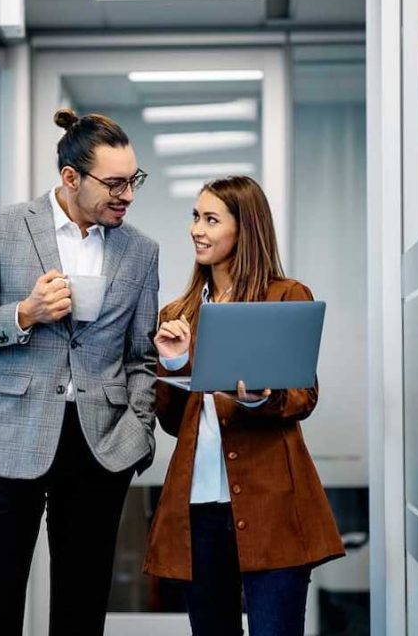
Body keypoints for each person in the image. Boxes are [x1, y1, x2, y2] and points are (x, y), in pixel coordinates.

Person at [0, 108, 159, 636]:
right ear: (70, 178)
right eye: (114, 183)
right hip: (9, 441)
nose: (127, 194)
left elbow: (142, 358)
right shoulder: (1, 228)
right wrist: (24, 313)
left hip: (100, 447)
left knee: (81, 615)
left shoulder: (141, 250)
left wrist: (138, 434)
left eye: (134, 181)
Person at [143, 176, 344, 636]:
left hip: (273, 505)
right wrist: (172, 364)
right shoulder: (179, 311)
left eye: (211, 219)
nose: (198, 229)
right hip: (199, 508)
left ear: (245, 229)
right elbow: (176, 423)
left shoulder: (285, 296)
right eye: (195, 217)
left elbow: (303, 395)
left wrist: (261, 398)